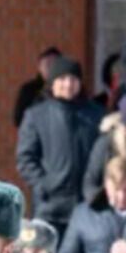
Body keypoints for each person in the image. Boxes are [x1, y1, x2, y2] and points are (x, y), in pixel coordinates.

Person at [15, 55, 100, 233]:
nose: (68, 84)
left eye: (73, 79)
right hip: (50, 208)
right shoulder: (36, 116)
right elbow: (25, 158)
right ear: (52, 83)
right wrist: (43, 184)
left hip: (87, 205)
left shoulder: (95, 115)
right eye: (62, 79)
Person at [10, 46, 60, 128]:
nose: (50, 68)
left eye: (54, 64)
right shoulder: (29, 89)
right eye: (47, 64)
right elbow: (18, 119)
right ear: (39, 67)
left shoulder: (69, 88)